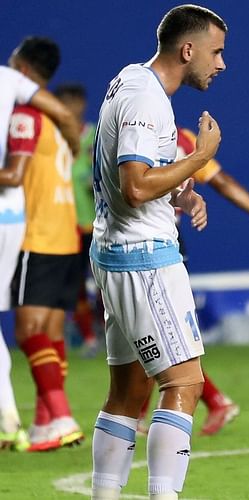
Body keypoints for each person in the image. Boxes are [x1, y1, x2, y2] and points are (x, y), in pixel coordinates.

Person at [89, 5, 226, 499]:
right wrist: (199, 157)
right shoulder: (148, 99)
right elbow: (135, 186)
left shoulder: (129, 79)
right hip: (144, 258)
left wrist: (181, 191)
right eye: (216, 52)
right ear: (187, 50)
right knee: (185, 383)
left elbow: (136, 177)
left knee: (127, 394)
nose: (221, 64)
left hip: (115, 252)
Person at [136, 126, 249, 437]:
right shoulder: (178, 138)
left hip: (157, 244)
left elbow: (220, 181)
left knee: (156, 331)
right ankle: (157, 411)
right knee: (152, 331)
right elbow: (222, 182)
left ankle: (147, 414)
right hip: (157, 244)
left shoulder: (146, 137)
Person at [0, 36, 84, 452]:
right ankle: (43, 423)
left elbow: (15, 174)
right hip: (65, 235)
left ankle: (62, 415)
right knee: (50, 335)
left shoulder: (26, 115)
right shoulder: (58, 119)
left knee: (29, 332)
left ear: (24, 69)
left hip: (35, 233)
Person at [54, 83, 100, 358]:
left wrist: (91, 182)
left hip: (95, 222)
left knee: (106, 285)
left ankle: (109, 331)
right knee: (76, 285)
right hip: (65, 223)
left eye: (73, 103)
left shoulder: (94, 136)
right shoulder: (52, 138)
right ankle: (89, 337)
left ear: (81, 105)